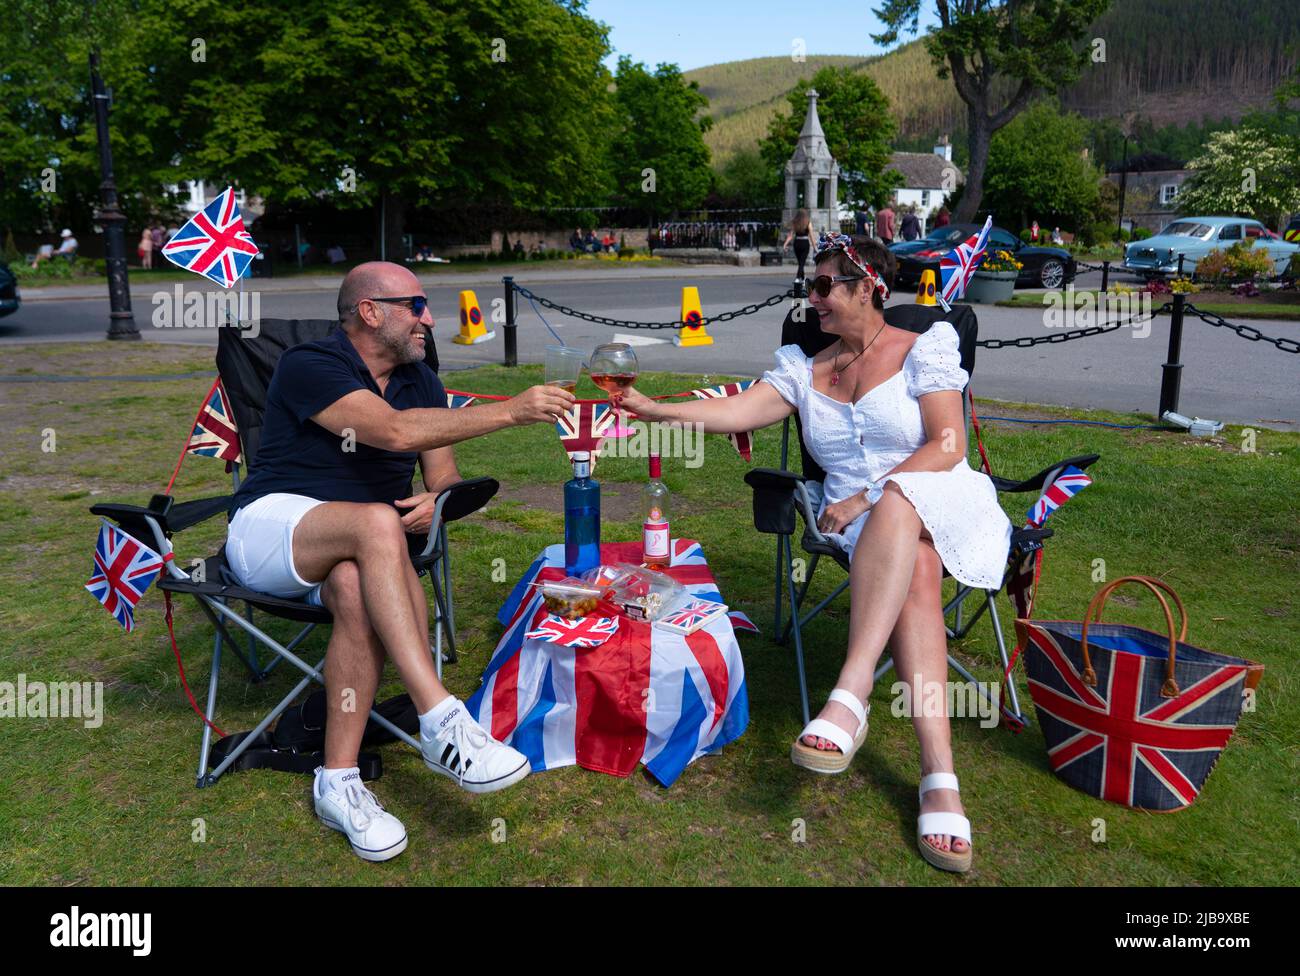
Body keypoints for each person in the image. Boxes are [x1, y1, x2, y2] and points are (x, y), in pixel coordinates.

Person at [616, 234, 1011, 874]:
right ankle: (939, 775)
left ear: (869, 289)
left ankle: (848, 695)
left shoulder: (923, 349)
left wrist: (860, 498)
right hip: (874, 533)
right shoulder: (806, 367)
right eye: (812, 284)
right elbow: (739, 410)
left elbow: (946, 444)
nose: (813, 298)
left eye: (826, 286)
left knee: (903, 508)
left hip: (940, 497)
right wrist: (653, 408)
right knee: (918, 568)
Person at [226, 261, 576, 861]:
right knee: (375, 520)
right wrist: (513, 411)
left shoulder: (422, 381)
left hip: (361, 550)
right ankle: (441, 717)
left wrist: (436, 500)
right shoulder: (311, 363)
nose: (429, 319)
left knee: (359, 581)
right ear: (370, 311)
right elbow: (389, 432)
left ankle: (338, 783)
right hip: (272, 530)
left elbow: (443, 476)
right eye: (416, 306)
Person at [782, 208, 812, 281]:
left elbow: (790, 235)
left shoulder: (795, 223)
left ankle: (803, 278)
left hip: (797, 243)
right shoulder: (808, 222)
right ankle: (798, 278)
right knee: (801, 263)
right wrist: (815, 247)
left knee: (800, 262)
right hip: (805, 243)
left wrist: (785, 244)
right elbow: (811, 236)